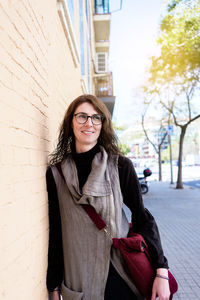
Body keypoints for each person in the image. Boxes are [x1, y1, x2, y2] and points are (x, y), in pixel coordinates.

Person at [46, 94, 170, 300]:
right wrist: (54, 285)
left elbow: (142, 218)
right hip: (78, 284)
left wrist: (161, 271)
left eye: (96, 118)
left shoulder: (120, 167)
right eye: (82, 116)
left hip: (121, 277)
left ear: (103, 124)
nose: (89, 123)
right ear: (71, 122)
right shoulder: (56, 174)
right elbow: (56, 232)